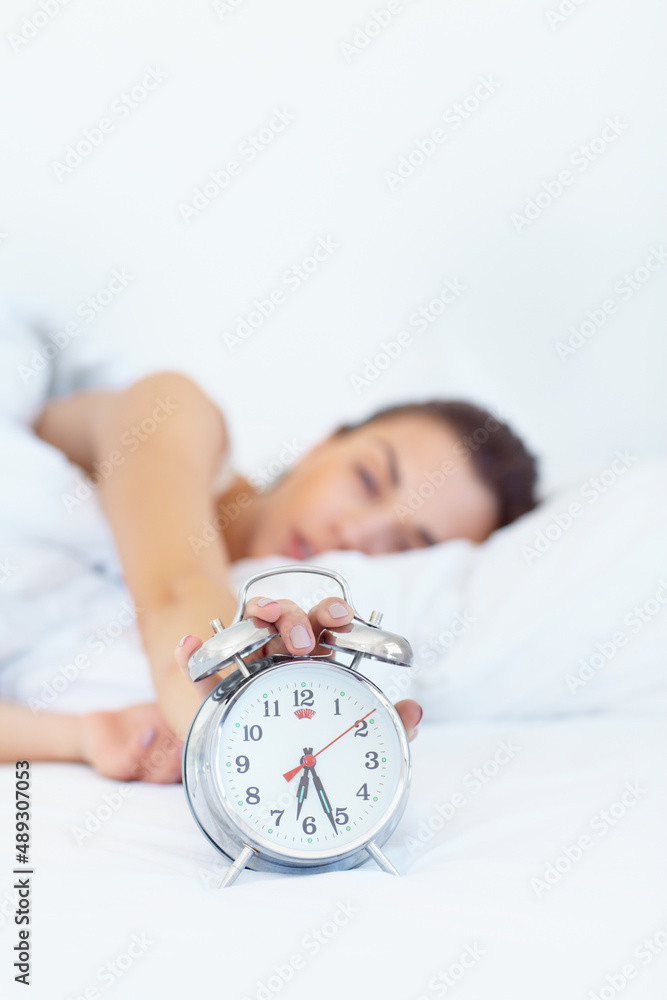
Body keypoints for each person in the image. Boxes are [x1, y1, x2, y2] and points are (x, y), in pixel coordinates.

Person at [0, 371, 538, 781]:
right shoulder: (176, 413)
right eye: (368, 479)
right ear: (323, 446)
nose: (354, 532)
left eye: (402, 546)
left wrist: (79, 738)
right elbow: (177, 587)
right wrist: (236, 711)